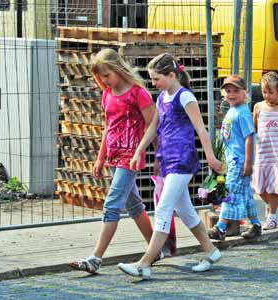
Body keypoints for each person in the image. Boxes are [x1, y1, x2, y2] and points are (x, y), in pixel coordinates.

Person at [117, 53, 223, 279]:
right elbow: (154, 128)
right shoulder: (162, 98)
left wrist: (211, 158)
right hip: (167, 159)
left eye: (156, 79)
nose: (153, 84)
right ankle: (211, 251)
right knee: (185, 210)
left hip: (182, 160)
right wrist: (140, 152)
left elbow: (201, 129)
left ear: (172, 75)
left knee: (164, 207)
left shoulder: (185, 97)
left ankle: (145, 263)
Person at [69, 48, 156, 274]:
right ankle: (158, 247)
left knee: (112, 205)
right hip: (114, 156)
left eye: (106, 75)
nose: (103, 80)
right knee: (134, 205)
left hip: (131, 157)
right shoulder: (107, 94)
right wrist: (100, 158)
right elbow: (108, 127)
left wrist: (156, 155)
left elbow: (153, 125)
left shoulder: (138, 93)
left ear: (118, 69)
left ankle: (95, 259)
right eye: (100, 77)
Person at [208, 75, 262, 241]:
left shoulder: (243, 113)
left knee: (229, 193)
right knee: (244, 194)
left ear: (245, 92)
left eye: (236, 91)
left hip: (239, 161)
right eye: (228, 91)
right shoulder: (232, 110)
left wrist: (247, 162)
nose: (231, 94)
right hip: (232, 160)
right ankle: (256, 225)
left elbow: (249, 138)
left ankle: (221, 227)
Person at [252, 72, 278, 230]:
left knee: (275, 186)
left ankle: (272, 216)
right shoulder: (258, 107)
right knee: (259, 186)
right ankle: (270, 206)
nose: (267, 95)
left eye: (271, 92)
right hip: (262, 152)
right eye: (264, 92)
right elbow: (255, 128)